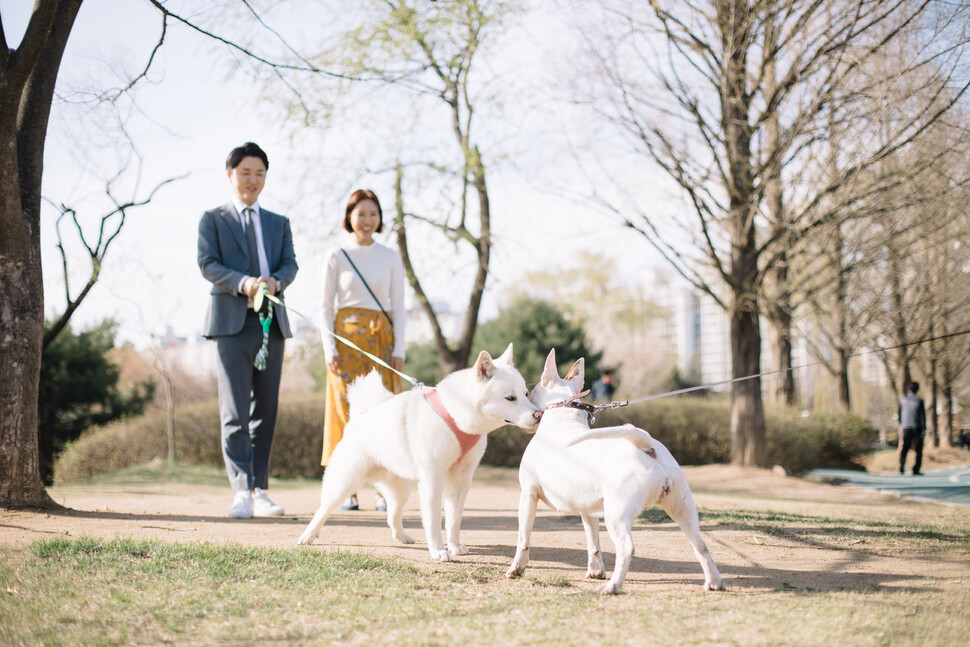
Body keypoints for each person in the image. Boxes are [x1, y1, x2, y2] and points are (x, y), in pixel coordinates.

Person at [198, 142, 299, 519]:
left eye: (259, 173)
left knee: (266, 411)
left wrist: (276, 282)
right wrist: (244, 283)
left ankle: (260, 490)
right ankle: (240, 491)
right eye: (245, 173)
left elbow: (291, 264)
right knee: (234, 412)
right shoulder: (213, 219)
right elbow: (207, 263)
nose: (252, 180)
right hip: (229, 326)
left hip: (271, 326)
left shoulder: (278, 223)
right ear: (231, 175)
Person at [320, 189, 405, 511]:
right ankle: (347, 488)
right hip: (344, 342)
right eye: (361, 214)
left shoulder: (390, 256)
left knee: (384, 412)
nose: (367, 221)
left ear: (379, 218)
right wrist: (329, 348)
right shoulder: (336, 255)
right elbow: (325, 306)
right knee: (345, 411)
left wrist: (400, 347)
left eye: (373, 214)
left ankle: (383, 487)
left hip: (382, 342)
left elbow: (398, 306)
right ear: (349, 217)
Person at [898, 381, 926, 476]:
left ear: (908, 389)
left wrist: (902, 424)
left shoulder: (902, 400)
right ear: (917, 390)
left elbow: (899, 413)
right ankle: (916, 469)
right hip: (917, 427)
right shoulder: (919, 400)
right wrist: (924, 427)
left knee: (905, 447)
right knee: (918, 449)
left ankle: (901, 466)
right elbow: (922, 416)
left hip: (906, 426)